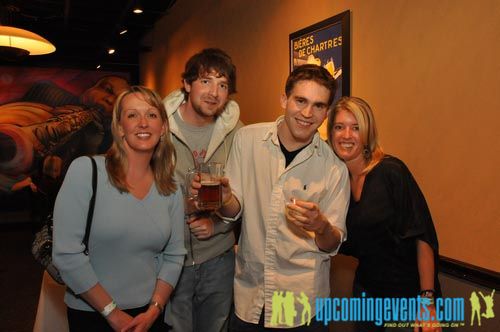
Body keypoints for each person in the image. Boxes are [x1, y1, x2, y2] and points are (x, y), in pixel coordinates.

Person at [194, 64, 350, 330]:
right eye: (300, 100)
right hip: (249, 292)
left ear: (326, 112)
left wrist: (321, 226)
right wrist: (224, 197)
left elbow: (331, 244)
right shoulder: (248, 139)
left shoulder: (334, 168)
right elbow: (234, 211)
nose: (307, 113)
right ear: (284, 100)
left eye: (318, 105)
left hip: (298, 300)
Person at [52, 86, 186, 332]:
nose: (143, 123)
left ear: (164, 127)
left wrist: (155, 308)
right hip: (93, 313)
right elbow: (66, 254)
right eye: (132, 115)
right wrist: (112, 313)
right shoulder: (86, 171)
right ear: (120, 127)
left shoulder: (172, 185)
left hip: (149, 316)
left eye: (152, 115)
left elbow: (175, 254)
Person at [327, 96, 442, 331]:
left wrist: (427, 300)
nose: (346, 135)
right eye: (339, 127)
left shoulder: (391, 172)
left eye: (355, 128)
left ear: (367, 133)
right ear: (330, 133)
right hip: (366, 291)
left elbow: (422, 236)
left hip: (409, 296)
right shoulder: (335, 182)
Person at [162, 48, 243, 332]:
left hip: (219, 258)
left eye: (223, 85)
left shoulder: (237, 133)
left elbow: (242, 196)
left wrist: (217, 223)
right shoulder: (158, 129)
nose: (214, 92)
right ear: (186, 84)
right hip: (170, 257)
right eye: (205, 81)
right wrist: (181, 207)